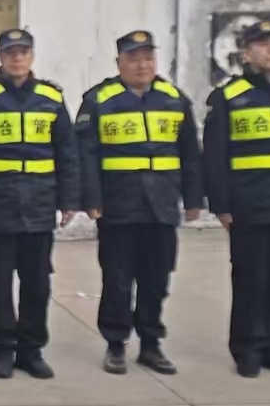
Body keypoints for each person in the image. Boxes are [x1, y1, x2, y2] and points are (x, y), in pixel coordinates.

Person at [75, 30, 204, 376]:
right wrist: (92, 200)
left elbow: (190, 154)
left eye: (148, 58)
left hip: (161, 206)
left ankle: (151, 344)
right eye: (133, 59)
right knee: (117, 281)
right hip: (118, 206)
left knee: (156, 280)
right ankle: (116, 344)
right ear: (119, 63)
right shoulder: (99, 100)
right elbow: (86, 156)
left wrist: (193, 199)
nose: (142, 65)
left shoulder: (175, 100)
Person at [0, 29, 79, 380]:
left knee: (37, 284)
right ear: (1, 56)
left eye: (23, 52)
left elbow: (67, 152)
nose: (17, 58)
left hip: (38, 205)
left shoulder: (51, 98)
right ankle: (3, 349)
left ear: (32, 56)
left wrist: (69, 200)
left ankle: (31, 350)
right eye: (11, 52)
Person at [201, 18, 270, 378]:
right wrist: (221, 205)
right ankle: (247, 349)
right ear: (247, 54)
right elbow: (215, 156)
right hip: (249, 203)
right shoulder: (228, 97)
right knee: (251, 278)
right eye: (263, 44)